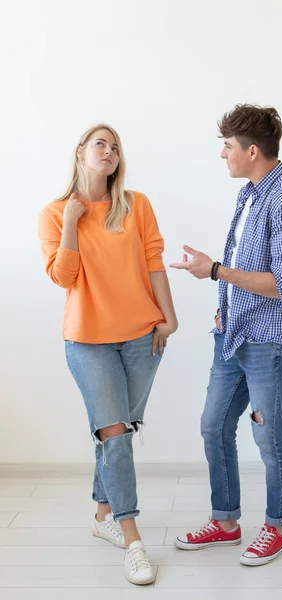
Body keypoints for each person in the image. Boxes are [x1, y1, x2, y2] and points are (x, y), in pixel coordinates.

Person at [170, 104, 282, 566]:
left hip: (269, 341)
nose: (223, 155)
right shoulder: (251, 194)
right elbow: (247, 269)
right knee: (213, 425)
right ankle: (226, 521)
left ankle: (276, 528)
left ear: (252, 151)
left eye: (228, 147)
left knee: (269, 438)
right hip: (233, 334)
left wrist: (213, 271)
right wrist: (222, 305)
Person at [38, 124, 178, 585]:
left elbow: (154, 259)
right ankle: (133, 540)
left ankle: (102, 516)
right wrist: (74, 223)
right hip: (87, 341)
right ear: (80, 151)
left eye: (116, 147)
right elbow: (63, 277)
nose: (110, 152)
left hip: (142, 336)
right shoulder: (56, 213)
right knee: (116, 436)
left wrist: (168, 317)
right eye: (101, 143)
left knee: (117, 430)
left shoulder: (136, 205)